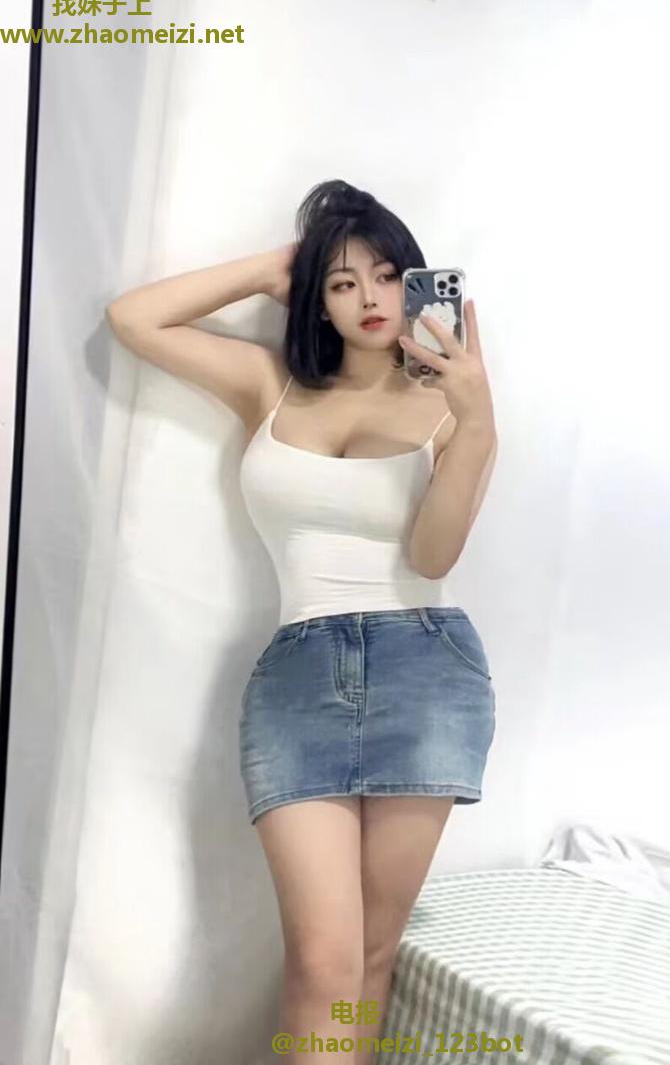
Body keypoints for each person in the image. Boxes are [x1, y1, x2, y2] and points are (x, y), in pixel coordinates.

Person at [105, 179, 499, 1064]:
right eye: (342, 282)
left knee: (369, 957)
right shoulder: (272, 386)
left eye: (387, 276)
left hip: (426, 672)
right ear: (316, 299)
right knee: (321, 964)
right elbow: (134, 319)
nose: (369, 299)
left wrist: (476, 425)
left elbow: (433, 556)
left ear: (417, 284)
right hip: (298, 678)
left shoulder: (453, 407)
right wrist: (269, 268)